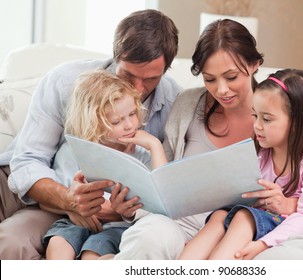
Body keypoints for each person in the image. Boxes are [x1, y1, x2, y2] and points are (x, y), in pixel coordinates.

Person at [113, 19, 303, 260]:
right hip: (185, 226)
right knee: (150, 236)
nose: (221, 89)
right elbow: (162, 182)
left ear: (255, 64)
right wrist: (131, 207)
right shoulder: (186, 105)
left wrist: (294, 204)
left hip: (244, 227)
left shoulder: (282, 112)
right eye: (209, 79)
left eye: (231, 77)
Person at [0, 9, 180, 259]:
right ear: (116, 57)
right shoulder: (65, 82)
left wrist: (119, 212)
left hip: (119, 219)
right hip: (52, 194)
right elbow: (29, 161)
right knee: (11, 242)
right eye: (128, 75)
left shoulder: (174, 102)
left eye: (150, 79)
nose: (137, 90)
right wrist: (70, 201)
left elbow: (167, 189)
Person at [178, 69, 303, 259]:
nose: (257, 125)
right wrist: (206, 239)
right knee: (220, 215)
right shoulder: (261, 150)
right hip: (263, 219)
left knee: (244, 216)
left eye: (266, 119)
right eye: (255, 116)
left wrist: (264, 243)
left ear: (298, 123)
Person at [42, 70, 167, 260]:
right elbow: (56, 200)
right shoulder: (74, 151)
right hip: (77, 221)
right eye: (116, 121)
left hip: (118, 228)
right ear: (93, 123)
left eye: (132, 114)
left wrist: (155, 145)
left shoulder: (142, 153)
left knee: (95, 250)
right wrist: (72, 205)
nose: (129, 125)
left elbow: (162, 194)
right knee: (60, 239)